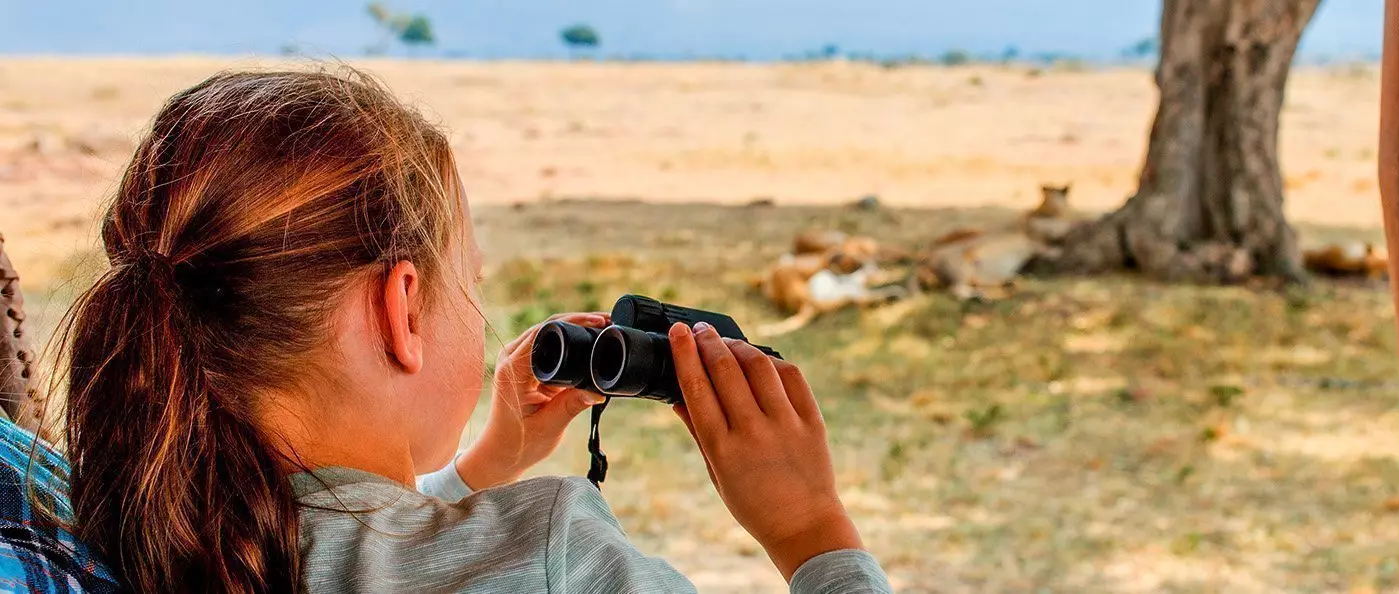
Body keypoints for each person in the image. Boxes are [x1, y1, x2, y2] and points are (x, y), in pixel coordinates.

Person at [56, 68, 890, 593]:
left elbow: (357, 543)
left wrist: (482, 468)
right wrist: (810, 528)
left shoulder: (131, 524)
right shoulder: (553, 556)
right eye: (472, 282)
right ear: (403, 310)